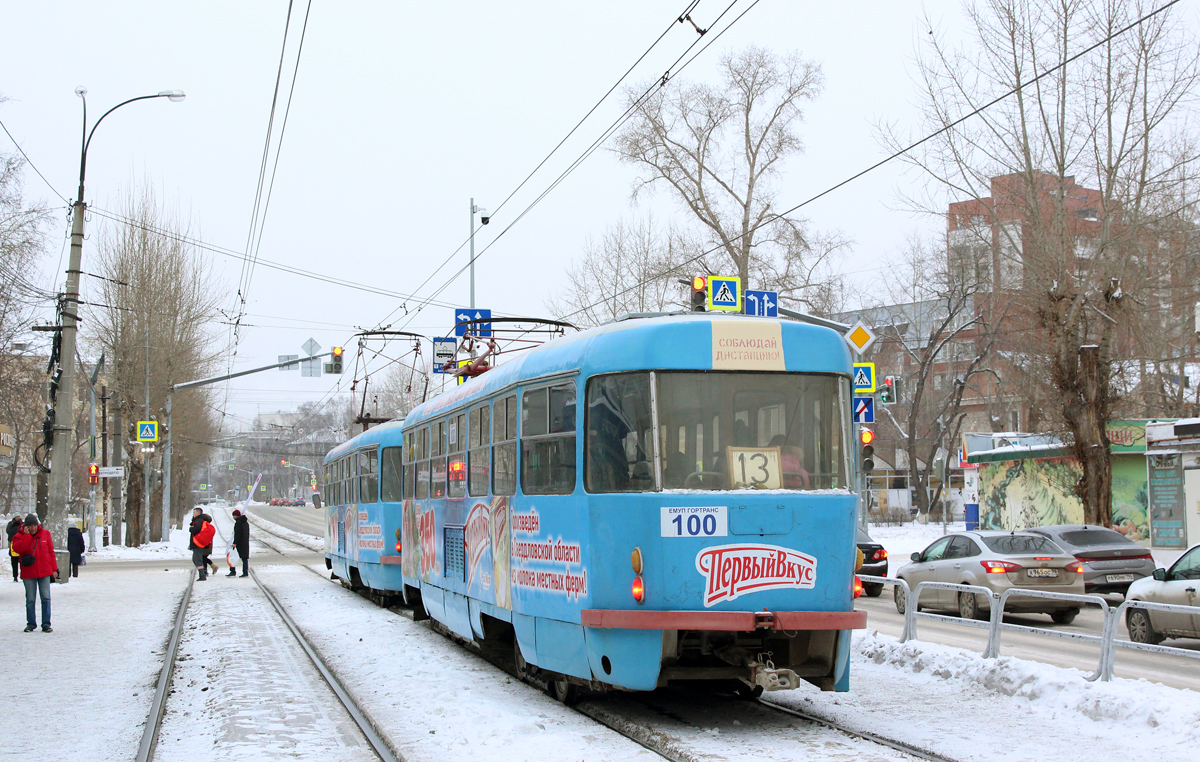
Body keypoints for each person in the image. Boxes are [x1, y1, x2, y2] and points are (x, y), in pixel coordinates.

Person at [11, 514, 57, 632]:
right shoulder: (18, 536)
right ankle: (31, 623)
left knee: (46, 598)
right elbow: (19, 549)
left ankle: (46, 624)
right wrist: (26, 536)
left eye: (34, 525)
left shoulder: (45, 534)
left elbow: (51, 552)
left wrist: (54, 569)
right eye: (30, 526)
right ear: (25, 526)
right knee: (30, 599)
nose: (33, 528)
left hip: (44, 571)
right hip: (28, 573)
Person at [190, 513, 215, 581]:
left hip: (199, 543)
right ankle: (204, 572)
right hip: (205, 544)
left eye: (194, 512)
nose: (193, 514)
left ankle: (203, 575)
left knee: (198, 559)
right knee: (202, 559)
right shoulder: (205, 523)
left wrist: (191, 529)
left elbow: (196, 530)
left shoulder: (199, 521)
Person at [232, 509, 250, 577]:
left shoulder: (238, 523)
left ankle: (232, 571)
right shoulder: (245, 522)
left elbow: (238, 534)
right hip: (245, 542)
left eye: (233, 515)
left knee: (233, 556)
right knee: (244, 558)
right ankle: (245, 572)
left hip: (240, 543)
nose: (233, 517)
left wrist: (235, 543)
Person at [6, 515, 23, 582]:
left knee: (14, 563)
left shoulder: (11, 528)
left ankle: (15, 577)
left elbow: (9, 538)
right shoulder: (21, 529)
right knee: (22, 563)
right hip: (21, 549)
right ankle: (23, 575)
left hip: (13, 548)